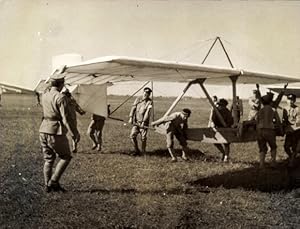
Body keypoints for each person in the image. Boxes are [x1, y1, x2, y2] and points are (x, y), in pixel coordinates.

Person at [39, 71, 80, 193]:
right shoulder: (61, 98)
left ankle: (47, 185)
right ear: (61, 84)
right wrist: (74, 133)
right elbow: (66, 119)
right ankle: (54, 182)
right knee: (65, 157)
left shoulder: (44, 95)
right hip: (55, 130)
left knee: (48, 159)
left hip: (43, 129)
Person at [256, 94, 279, 169]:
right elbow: (277, 121)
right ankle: (273, 162)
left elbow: (257, 120)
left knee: (262, 148)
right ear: (270, 102)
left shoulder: (260, 110)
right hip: (270, 130)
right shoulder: (273, 110)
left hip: (260, 130)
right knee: (273, 146)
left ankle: (261, 164)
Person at [128, 87, 153, 155]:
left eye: (148, 93)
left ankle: (143, 152)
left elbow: (147, 113)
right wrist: (130, 118)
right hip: (136, 122)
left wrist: (143, 122)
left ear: (149, 94)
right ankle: (136, 150)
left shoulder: (150, 102)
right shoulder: (138, 99)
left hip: (144, 123)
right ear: (143, 92)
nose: (146, 94)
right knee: (132, 136)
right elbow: (133, 108)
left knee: (143, 138)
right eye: (145, 92)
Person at [62, 89, 85, 153]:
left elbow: (77, 108)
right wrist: (81, 112)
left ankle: (75, 146)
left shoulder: (71, 101)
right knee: (69, 133)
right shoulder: (64, 101)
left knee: (72, 134)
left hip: (70, 119)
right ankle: (73, 145)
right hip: (66, 119)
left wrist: (81, 112)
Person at [282, 93, 300, 167]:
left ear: (294, 100)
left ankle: (292, 161)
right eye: (289, 99)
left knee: (294, 148)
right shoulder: (285, 109)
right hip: (289, 131)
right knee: (286, 147)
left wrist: (293, 128)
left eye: (292, 100)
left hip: (296, 130)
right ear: (286, 100)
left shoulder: (298, 109)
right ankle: (291, 158)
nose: (290, 101)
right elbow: (284, 121)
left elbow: (298, 121)